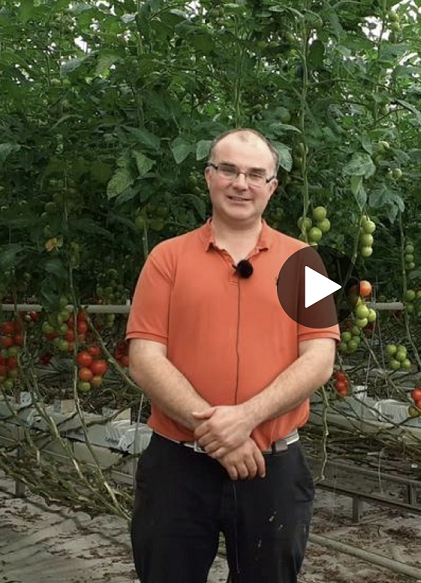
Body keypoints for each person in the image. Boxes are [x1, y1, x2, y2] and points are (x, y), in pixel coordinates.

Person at [126, 128, 340, 583]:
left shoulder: (306, 261)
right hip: (179, 467)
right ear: (209, 177)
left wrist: (246, 418)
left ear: (272, 187)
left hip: (272, 467)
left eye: (255, 174)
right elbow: (144, 357)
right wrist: (217, 433)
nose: (241, 183)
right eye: (229, 170)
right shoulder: (165, 259)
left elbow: (320, 358)